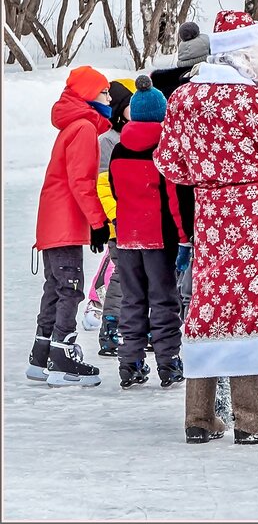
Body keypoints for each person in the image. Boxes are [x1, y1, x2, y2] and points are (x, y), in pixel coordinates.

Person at [154, 10, 258, 445]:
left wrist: (210, 175)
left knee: (211, 305)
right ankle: (253, 414)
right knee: (252, 306)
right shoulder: (256, 101)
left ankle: (199, 416)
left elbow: (168, 161)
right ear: (248, 55)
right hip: (255, 213)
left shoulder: (185, 97)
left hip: (211, 213)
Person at [28, 66, 112, 387]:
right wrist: (98, 222)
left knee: (55, 287)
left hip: (52, 223)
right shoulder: (84, 128)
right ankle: (62, 358)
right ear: (90, 95)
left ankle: (41, 353)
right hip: (64, 222)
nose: (108, 98)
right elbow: (81, 182)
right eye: (103, 92)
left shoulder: (72, 126)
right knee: (71, 288)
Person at [107, 76, 190, 389]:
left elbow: (116, 191)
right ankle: (168, 362)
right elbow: (174, 200)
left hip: (128, 237)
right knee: (164, 300)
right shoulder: (163, 151)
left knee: (132, 300)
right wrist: (184, 238)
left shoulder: (118, 150)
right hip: (159, 239)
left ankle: (130, 362)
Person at [85, 78, 136, 336]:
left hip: (135, 219)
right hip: (118, 220)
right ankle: (109, 321)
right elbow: (104, 184)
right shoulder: (107, 141)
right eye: (129, 104)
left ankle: (130, 324)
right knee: (121, 272)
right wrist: (114, 217)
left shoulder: (133, 134)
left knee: (132, 274)